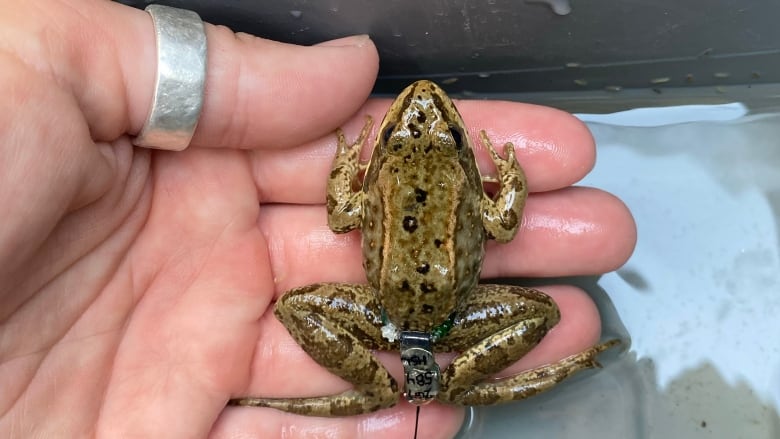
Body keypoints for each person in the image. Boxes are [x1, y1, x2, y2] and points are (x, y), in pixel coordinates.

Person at [0, 1, 636, 438]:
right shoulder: (477, 194)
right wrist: (509, 172)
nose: (423, 110)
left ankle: (395, 388)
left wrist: (346, 160)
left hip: (378, 310)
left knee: (297, 307)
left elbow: (340, 212)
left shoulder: (369, 183)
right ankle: (457, 384)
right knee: (545, 313)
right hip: (455, 311)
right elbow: (501, 224)